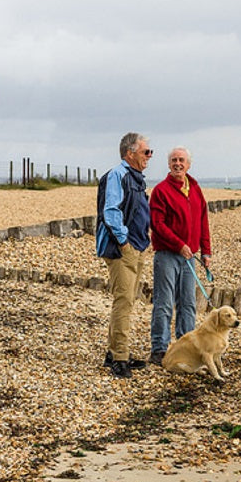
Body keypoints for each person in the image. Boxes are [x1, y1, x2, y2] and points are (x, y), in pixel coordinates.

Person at [96, 132, 153, 379]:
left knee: (128, 301)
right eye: (146, 152)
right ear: (130, 153)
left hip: (137, 247)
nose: (149, 156)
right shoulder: (117, 176)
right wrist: (125, 244)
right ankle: (119, 359)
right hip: (123, 251)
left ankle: (115, 353)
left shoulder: (135, 177)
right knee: (124, 303)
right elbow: (110, 212)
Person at [148, 147, 212, 365]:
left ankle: (187, 346)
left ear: (188, 164)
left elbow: (203, 221)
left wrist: (206, 251)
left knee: (188, 303)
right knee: (164, 303)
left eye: (181, 160)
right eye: (174, 160)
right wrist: (179, 245)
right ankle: (159, 348)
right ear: (169, 164)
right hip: (167, 254)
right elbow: (157, 225)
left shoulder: (195, 188)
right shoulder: (161, 191)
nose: (177, 164)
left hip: (189, 257)